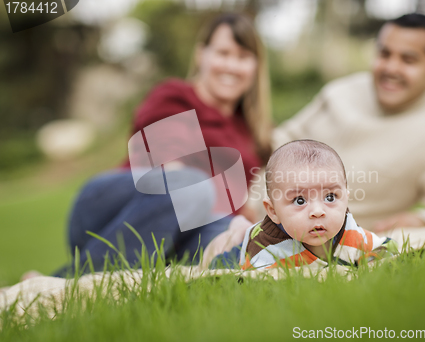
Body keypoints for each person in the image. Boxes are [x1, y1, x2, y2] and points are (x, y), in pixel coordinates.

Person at [51, 13, 272, 277]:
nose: (231, 66)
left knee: (243, 247)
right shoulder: (174, 96)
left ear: (256, 66)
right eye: (223, 53)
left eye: (243, 57)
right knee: (192, 187)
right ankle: (63, 282)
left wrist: (244, 227)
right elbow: (169, 168)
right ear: (201, 55)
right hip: (113, 211)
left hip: (185, 231)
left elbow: (242, 201)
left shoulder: (250, 131)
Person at [268, 13, 425, 233]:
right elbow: (282, 138)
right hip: (246, 204)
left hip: (305, 240)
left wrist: (422, 219)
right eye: (384, 54)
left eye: (408, 60)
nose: (391, 68)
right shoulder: (340, 92)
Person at [202, 140, 395, 270]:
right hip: (244, 246)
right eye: (299, 201)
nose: (318, 212)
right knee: (216, 258)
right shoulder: (266, 251)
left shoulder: (351, 234)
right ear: (273, 211)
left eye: (330, 197)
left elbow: (385, 250)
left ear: (346, 200)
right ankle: (236, 232)